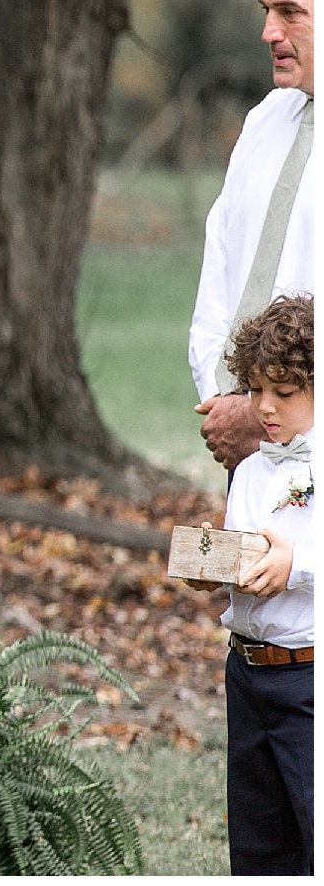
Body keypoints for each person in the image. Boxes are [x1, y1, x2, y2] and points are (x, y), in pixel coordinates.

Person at [183, 293, 314, 875]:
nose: (264, 406)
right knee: (260, 845)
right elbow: (246, 559)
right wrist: (213, 562)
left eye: (284, 393)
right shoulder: (251, 469)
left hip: (311, 680)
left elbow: (293, 556)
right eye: (257, 389)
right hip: (248, 675)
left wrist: (299, 564)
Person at [192, 0, 314, 473]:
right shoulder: (264, 122)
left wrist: (275, 412)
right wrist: (227, 399)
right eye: (266, 10)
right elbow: (220, 272)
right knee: (237, 563)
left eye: (290, 11)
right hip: (243, 451)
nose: (269, 32)